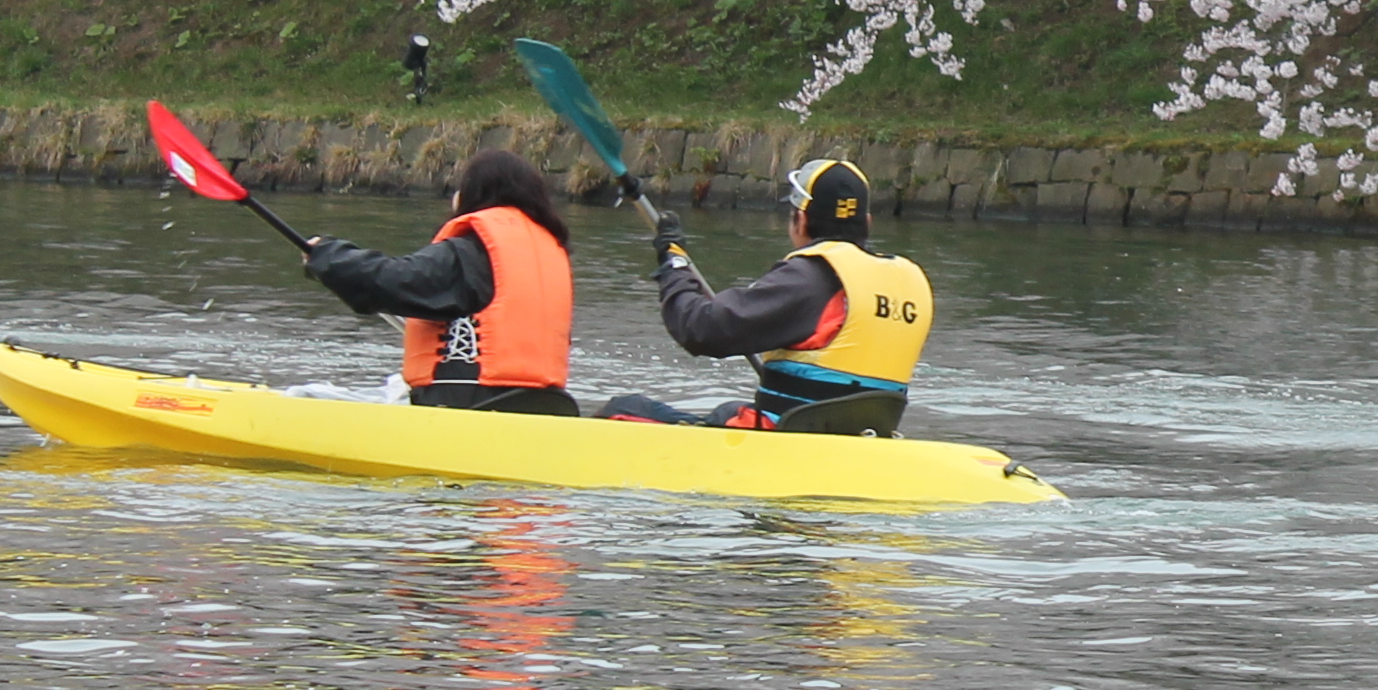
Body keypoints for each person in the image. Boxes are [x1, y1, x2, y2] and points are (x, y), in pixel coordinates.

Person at [605, 157, 935, 433]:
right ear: (866, 221)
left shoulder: (810, 277)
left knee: (624, 409)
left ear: (801, 220)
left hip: (790, 440)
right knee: (728, 409)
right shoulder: (911, 281)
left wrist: (674, 263)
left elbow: (700, 329)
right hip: (864, 435)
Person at [302, 147, 580, 413]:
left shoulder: (471, 251)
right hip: (544, 404)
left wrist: (328, 256)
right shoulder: (551, 250)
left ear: (473, 194)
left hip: (469, 403)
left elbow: (394, 282)